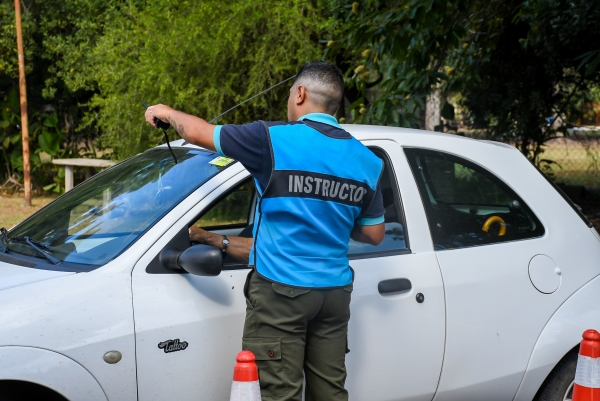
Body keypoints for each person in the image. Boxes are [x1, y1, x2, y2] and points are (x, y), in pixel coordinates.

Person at [144, 61, 385, 401]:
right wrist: (334, 214)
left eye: (290, 93)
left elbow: (197, 132)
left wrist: (165, 111)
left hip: (282, 294)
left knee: (279, 395)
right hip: (334, 294)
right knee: (330, 393)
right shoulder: (368, 161)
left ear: (300, 94)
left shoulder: (272, 140)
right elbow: (374, 234)